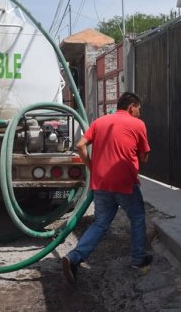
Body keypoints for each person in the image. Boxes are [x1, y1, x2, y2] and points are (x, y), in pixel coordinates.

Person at [62, 92, 153, 286]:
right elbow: (144, 157)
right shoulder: (138, 124)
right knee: (137, 218)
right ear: (132, 107)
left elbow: (80, 145)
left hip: (100, 182)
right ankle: (138, 259)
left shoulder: (100, 121)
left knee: (101, 223)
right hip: (124, 183)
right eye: (139, 109)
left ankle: (74, 257)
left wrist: (91, 167)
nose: (139, 112)